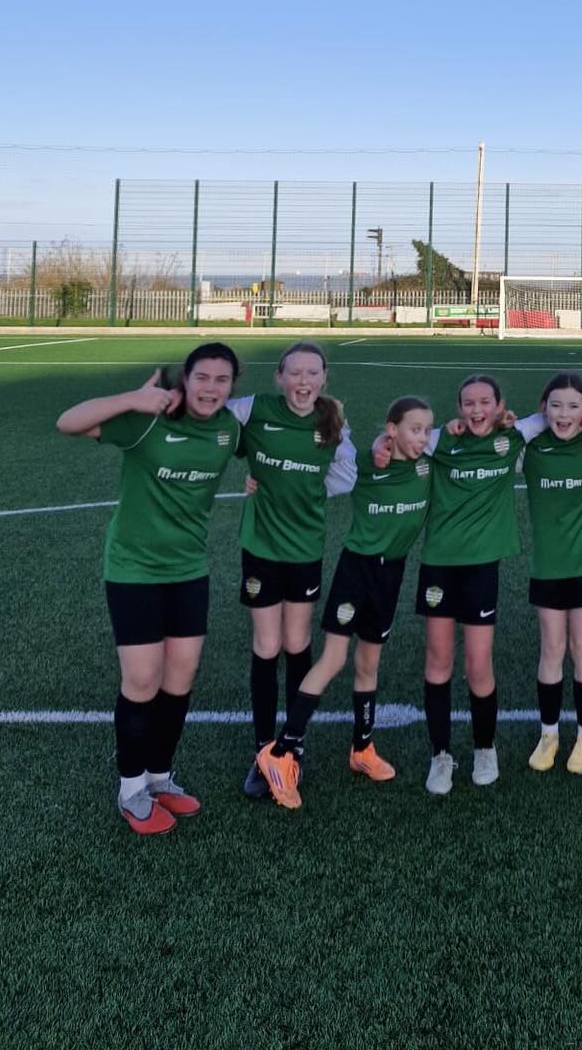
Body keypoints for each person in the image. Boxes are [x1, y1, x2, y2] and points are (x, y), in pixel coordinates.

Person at [56, 343, 242, 835]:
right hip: (133, 568)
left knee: (181, 677)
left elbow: (278, 446)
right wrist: (130, 399)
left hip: (188, 569)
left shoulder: (229, 429)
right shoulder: (149, 420)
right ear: (186, 379)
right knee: (142, 680)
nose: (211, 388)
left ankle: (160, 777)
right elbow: (67, 422)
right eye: (202, 377)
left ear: (231, 388)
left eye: (221, 380)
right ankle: (131, 787)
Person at [254, 397, 433, 810]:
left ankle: (362, 750)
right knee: (334, 660)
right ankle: (279, 753)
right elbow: (333, 458)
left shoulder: (428, 464)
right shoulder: (367, 463)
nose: (421, 437)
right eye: (413, 429)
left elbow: (452, 438)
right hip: (358, 571)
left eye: (426, 429)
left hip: (393, 573)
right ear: (391, 429)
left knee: (369, 665)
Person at [235, 341, 357, 799]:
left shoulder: (331, 424)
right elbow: (214, 427)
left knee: (297, 642)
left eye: (312, 374)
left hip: (305, 547)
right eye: (295, 373)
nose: (303, 382)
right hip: (261, 547)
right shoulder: (253, 409)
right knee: (267, 645)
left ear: (324, 379)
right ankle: (264, 752)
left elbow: (347, 476)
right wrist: (250, 479)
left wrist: (306, 488)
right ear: (279, 377)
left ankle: (293, 746)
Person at [406, 374, 529, 795]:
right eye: (468, 404)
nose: (477, 411)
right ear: (458, 408)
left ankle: (484, 748)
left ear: (499, 405)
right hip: (439, 563)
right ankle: (440, 755)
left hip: (481, 567)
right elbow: (399, 438)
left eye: (485, 403)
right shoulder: (441, 440)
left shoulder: (512, 438)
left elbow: (556, 417)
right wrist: (439, 430)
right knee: (438, 659)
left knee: (479, 663)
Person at [521, 373, 582, 776]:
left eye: (573, 406)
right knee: (551, 648)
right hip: (547, 565)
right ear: (543, 409)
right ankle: (548, 734)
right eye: (555, 405)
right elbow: (502, 438)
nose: (564, 414)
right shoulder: (529, 448)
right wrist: (537, 421)